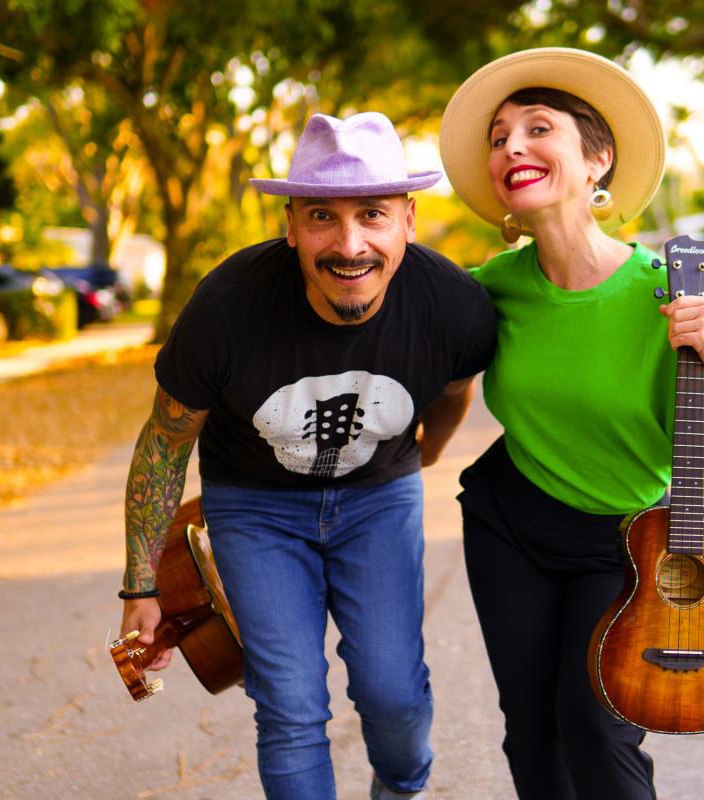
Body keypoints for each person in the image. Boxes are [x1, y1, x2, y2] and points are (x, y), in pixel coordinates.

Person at [119, 111, 497, 800]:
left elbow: (451, 393)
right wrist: (141, 585)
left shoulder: (452, 306)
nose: (349, 244)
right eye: (323, 216)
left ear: (408, 220)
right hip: (253, 507)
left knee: (394, 696)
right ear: (289, 224)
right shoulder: (227, 307)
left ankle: (403, 787)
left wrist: (428, 456)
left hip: (380, 497)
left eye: (373, 216)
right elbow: (164, 445)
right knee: (289, 706)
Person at [438, 48, 704, 799]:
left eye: (537, 128)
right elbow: (422, 354)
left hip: (624, 543)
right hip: (510, 523)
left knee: (595, 723)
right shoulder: (490, 288)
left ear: (597, 161)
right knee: (532, 730)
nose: (510, 146)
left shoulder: (668, 293)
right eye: (498, 136)